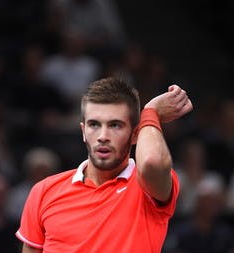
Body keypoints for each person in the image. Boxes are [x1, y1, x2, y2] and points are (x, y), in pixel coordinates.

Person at [15, 77, 193, 252]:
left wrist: (150, 113)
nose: (103, 136)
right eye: (94, 125)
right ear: (83, 131)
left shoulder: (147, 187)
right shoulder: (44, 191)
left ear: (135, 134)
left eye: (115, 125)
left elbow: (151, 162)